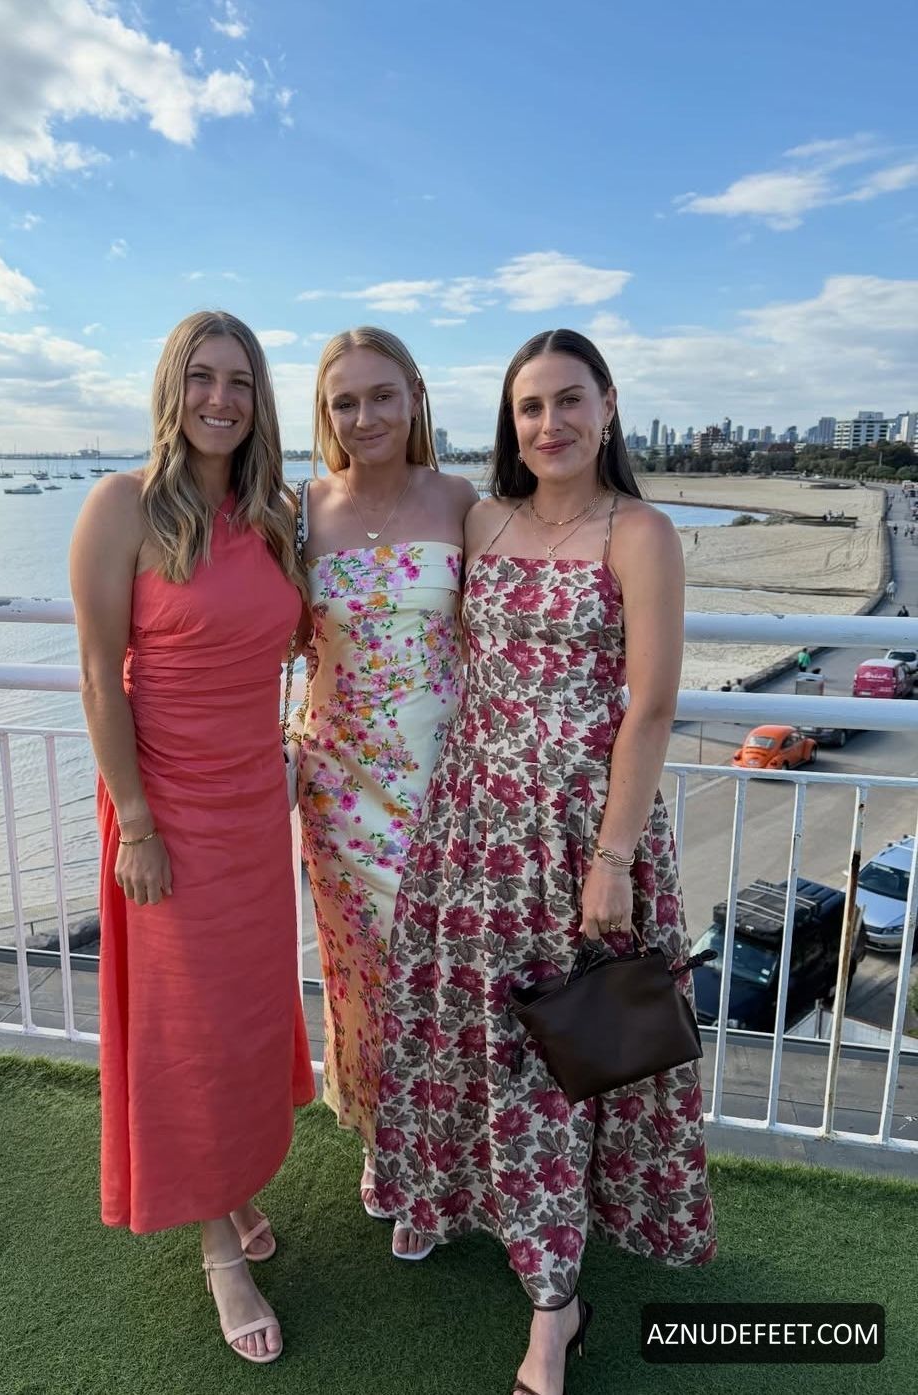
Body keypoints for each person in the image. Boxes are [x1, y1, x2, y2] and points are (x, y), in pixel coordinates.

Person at [374, 329, 716, 1395]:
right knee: (473, 1036)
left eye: (571, 400)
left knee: (562, 1055)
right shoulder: (483, 518)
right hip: (472, 826)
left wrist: (612, 859)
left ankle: (554, 1306)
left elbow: (650, 707)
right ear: (509, 422)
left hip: (579, 835)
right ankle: (455, 1200)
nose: (551, 423)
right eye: (531, 406)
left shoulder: (641, 532)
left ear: (609, 407)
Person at [70, 311, 314, 1366]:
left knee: (247, 1013)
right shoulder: (120, 506)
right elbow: (98, 676)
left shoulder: (274, 516)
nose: (222, 398)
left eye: (241, 382)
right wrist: (135, 823)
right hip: (163, 809)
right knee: (190, 1026)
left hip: (255, 804)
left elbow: (303, 643)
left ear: (260, 401)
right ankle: (219, 1247)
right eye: (203, 378)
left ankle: (235, 1186)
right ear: (173, 388)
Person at [295, 326, 476, 1253]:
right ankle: (384, 1145)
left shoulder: (462, 499)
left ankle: (442, 1157)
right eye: (344, 401)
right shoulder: (300, 509)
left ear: (415, 397)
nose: (364, 416)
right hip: (336, 785)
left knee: (440, 979)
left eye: (381, 395)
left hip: (445, 784)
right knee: (363, 978)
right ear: (325, 414)